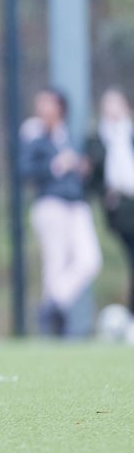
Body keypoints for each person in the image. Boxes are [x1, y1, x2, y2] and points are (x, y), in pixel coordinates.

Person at [19, 87, 100, 336]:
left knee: (89, 260)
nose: (42, 108)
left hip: (76, 204)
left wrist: (81, 169)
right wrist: (56, 165)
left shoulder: (70, 136)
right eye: (39, 103)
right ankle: (54, 324)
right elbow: (24, 170)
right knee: (54, 264)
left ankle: (52, 305)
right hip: (51, 204)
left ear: (60, 108)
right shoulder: (34, 137)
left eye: (47, 103)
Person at [85, 88, 134, 311]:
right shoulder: (97, 140)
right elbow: (93, 177)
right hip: (121, 207)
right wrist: (106, 195)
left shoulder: (129, 134)